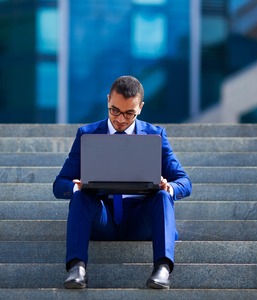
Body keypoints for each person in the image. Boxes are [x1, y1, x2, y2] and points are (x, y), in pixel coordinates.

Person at [53, 75, 192, 289]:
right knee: (80, 196)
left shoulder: (156, 135)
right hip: (103, 219)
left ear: (141, 108)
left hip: (141, 219)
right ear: (108, 100)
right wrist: (75, 186)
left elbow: (184, 181)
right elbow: (59, 184)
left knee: (163, 196)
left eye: (129, 113)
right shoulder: (86, 135)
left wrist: (170, 187)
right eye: (114, 110)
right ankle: (77, 268)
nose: (120, 119)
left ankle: (162, 269)